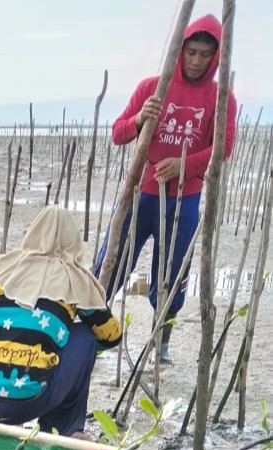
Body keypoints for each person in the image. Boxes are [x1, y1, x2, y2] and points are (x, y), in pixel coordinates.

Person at [94, 13, 236, 363]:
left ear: (215, 58)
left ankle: (162, 344)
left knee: (172, 275)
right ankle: (91, 333)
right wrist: (141, 118)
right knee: (109, 264)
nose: (197, 60)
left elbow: (224, 149)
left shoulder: (222, 98)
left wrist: (185, 166)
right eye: (191, 52)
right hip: (141, 193)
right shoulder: (152, 88)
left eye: (205, 54)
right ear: (180, 49)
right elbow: (117, 133)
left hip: (184, 199)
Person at [0, 206, 122, 438]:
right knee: (84, 338)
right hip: (23, 405)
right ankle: (63, 429)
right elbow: (111, 336)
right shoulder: (76, 281)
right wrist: (57, 341)